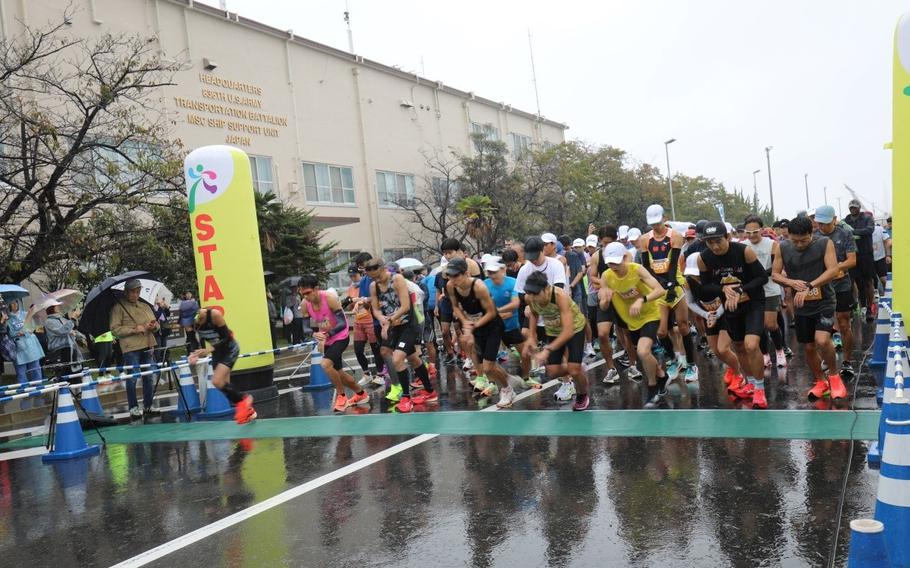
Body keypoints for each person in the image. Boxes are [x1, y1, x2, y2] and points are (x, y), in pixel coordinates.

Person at [772, 215, 846, 401]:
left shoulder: (824, 243)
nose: (798, 244)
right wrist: (790, 282)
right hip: (801, 304)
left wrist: (810, 286)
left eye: (803, 240)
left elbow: (833, 270)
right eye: (794, 240)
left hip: (824, 300)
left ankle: (835, 378)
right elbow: (775, 274)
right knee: (809, 347)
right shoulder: (782, 247)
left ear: (811, 232)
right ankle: (820, 382)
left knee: (822, 340)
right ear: (788, 235)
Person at [697, 221, 769, 409]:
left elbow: (762, 278)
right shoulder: (703, 258)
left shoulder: (744, 251)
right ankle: (751, 382)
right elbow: (705, 288)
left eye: (718, 241)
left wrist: (740, 289)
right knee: (738, 346)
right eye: (709, 242)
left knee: (751, 345)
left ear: (728, 237)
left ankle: (760, 388)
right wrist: (723, 288)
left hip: (753, 302)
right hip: (730, 305)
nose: (714, 246)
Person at [598, 242, 669, 408]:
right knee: (645, 354)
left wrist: (641, 299)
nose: (613, 266)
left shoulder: (636, 269)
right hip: (631, 321)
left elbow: (660, 290)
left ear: (624, 257)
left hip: (650, 314)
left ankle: (652, 390)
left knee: (643, 352)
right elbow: (603, 306)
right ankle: (661, 374)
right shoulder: (606, 276)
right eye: (609, 262)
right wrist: (605, 301)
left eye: (616, 261)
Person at [447, 258, 519, 407]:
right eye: (450, 275)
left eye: (456, 275)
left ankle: (507, 389)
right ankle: (505, 377)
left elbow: (492, 313)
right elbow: (455, 307)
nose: (452, 279)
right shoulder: (450, 286)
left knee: (488, 366)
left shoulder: (478, 287)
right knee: (486, 367)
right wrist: (465, 322)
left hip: (492, 325)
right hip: (476, 325)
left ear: (466, 273)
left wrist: (472, 327)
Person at [369, 258, 436, 413]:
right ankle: (430, 391)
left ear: (384, 269)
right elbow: (376, 309)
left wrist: (390, 321)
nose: (377, 280)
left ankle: (406, 396)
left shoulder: (397, 279)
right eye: (373, 277)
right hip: (393, 326)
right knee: (412, 358)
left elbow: (406, 306)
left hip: (409, 324)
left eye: (378, 276)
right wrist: (382, 320)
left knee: (398, 358)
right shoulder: (374, 286)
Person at [639, 204, 696, 383]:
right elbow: (646, 265)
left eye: (657, 222)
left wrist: (670, 285)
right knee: (662, 332)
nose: (655, 226)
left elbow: (673, 265)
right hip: (657, 286)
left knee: (683, 325)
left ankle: (692, 364)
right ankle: (673, 360)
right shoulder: (644, 239)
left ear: (664, 218)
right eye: (652, 224)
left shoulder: (675, 236)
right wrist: (659, 284)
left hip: (675, 284)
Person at [298, 274, 369, 413]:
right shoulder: (304, 304)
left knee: (325, 364)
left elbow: (343, 323)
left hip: (340, 336)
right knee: (339, 374)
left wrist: (327, 334)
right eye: (302, 294)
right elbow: (305, 327)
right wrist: (313, 333)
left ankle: (341, 397)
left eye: (308, 293)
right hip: (327, 338)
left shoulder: (329, 298)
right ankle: (361, 394)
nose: (305, 296)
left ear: (316, 289)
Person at [523, 271, 591, 411]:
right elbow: (534, 314)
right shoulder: (529, 298)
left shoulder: (559, 296)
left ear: (546, 288)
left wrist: (547, 350)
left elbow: (568, 332)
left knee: (573, 369)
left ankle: (582, 394)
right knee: (553, 372)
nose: (533, 298)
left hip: (574, 329)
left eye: (536, 294)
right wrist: (531, 336)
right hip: (553, 331)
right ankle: (578, 368)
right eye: (530, 294)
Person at [188, 308, 257, 424]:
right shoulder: (193, 324)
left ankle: (246, 399)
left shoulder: (214, 315)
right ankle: (249, 411)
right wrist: (193, 353)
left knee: (216, 381)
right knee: (223, 386)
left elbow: (227, 337)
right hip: (217, 352)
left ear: (200, 313)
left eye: (197, 321)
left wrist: (209, 349)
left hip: (229, 349)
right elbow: (193, 340)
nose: (195, 325)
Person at [814, 205, 858, 377]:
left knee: (844, 322)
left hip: (841, 284)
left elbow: (852, 260)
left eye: (826, 223)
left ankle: (847, 362)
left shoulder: (844, 233)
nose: (822, 227)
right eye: (819, 223)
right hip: (821, 287)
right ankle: (827, 356)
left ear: (834, 219)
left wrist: (835, 268)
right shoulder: (814, 237)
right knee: (821, 326)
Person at [484, 257, 537, 388]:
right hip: (493, 327)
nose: (492, 275)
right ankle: (491, 382)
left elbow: (515, 303)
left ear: (502, 269)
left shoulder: (513, 282)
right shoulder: (484, 284)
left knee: (525, 353)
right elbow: (483, 307)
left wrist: (495, 312)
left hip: (511, 327)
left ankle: (526, 378)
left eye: (494, 271)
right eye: (489, 272)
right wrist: (497, 315)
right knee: (488, 359)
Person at [110, 279, 159, 417]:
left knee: (148, 376)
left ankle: (148, 405)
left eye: (138, 292)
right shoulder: (118, 308)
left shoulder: (145, 306)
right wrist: (133, 329)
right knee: (132, 377)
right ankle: (133, 407)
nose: (136, 295)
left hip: (148, 344)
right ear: (126, 292)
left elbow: (156, 323)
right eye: (133, 292)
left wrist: (154, 326)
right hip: (130, 348)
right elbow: (114, 330)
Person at [743, 215, 787, 369]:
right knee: (759, 326)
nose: (752, 235)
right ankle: (765, 355)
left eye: (755, 232)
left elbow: (777, 268)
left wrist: (759, 275)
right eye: (748, 232)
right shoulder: (743, 246)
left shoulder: (772, 245)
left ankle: (780, 350)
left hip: (770, 288)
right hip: (753, 291)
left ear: (761, 230)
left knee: (771, 324)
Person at [346, 264, 384, 387]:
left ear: (361, 273)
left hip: (370, 319)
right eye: (350, 276)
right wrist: (351, 303)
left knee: (375, 348)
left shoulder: (369, 282)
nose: (353, 278)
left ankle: (380, 374)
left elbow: (372, 299)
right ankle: (366, 374)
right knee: (358, 349)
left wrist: (361, 300)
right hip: (358, 320)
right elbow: (352, 305)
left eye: (354, 275)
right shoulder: (352, 287)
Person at [843, 199, 876, 322]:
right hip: (851, 255)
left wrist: (853, 232)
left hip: (865, 254)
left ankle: (869, 308)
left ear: (859, 207)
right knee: (851, 283)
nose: (853, 209)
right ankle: (853, 308)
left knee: (868, 282)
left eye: (855, 207)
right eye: (851, 207)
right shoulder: (846, 220)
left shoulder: (867, 218)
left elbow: (870, 229)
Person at [5, 300, 44, 385]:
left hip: (31, 344)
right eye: (12, 303)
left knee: (35, 368)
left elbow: (32, 327)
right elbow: (11, 333)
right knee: (21, 371)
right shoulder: (8, 319)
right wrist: (20, 332)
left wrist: (23, 332)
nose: (15, 305)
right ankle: (23, 390)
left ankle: (38, 387)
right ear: (9, 306)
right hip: (18, 346)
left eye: (16, 303)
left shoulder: (26, 314)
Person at [44, 301, 85, 379]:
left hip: (70, 348)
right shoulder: (49, 321)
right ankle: (65, 390)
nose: (58, 307)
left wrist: (76, 334)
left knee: (75, 372)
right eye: (56, 305)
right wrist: (73, 318)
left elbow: (68, 329)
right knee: (65, 375)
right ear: (51, 308)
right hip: (60, 351)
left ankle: (76, 390)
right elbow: (62, 331)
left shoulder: (61, 318)